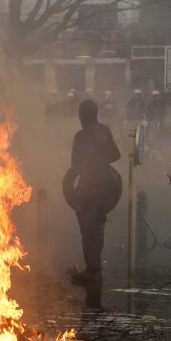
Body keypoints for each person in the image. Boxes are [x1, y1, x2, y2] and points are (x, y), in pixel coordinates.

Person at [69, 100, 121, 285]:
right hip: (105, 187)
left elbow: (75, 164)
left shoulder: (81, 136)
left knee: (89, 230)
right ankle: (94, 267)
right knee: (97, 227)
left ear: (81, 115)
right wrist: (100, 160)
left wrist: (90, 164)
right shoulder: (104, 131)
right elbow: (116, 154)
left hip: (88, 188)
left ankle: (93, 271)